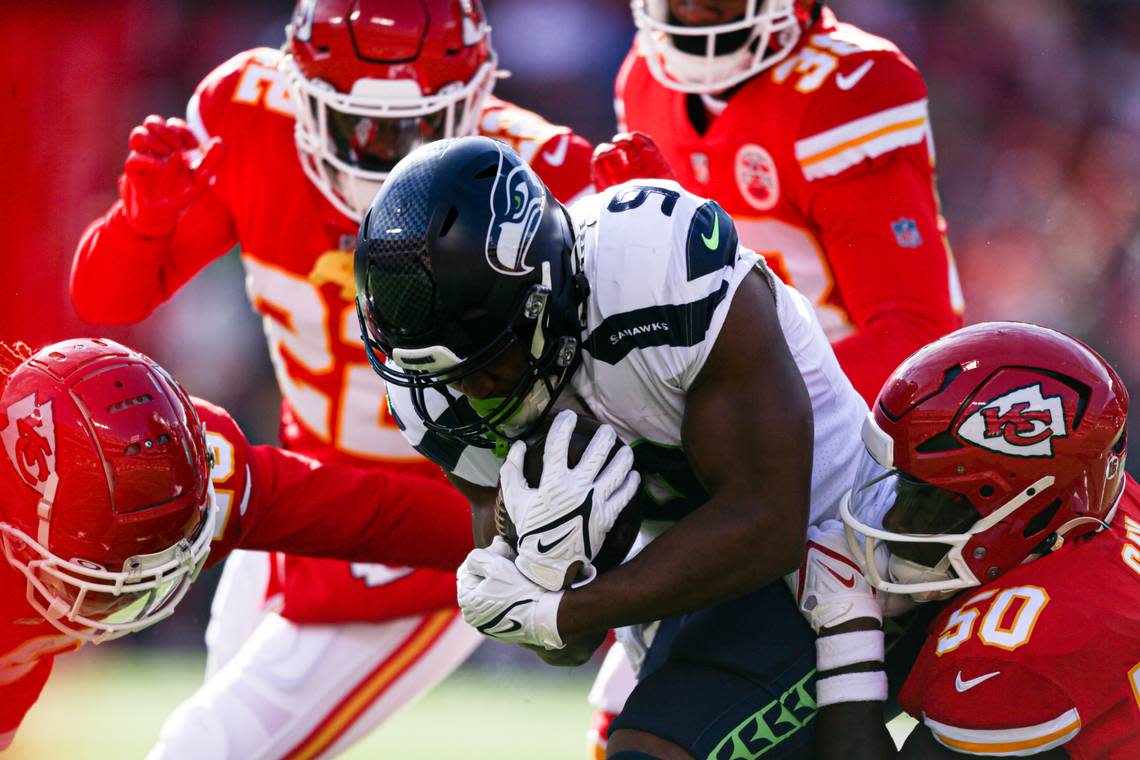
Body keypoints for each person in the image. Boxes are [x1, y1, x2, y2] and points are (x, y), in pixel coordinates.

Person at [69, 1, 594, 756]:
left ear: (477, 102)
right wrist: (140, 225)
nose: (382, 158)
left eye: (416, 129)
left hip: (440, 515)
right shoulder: (250, 114)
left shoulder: (536, 177)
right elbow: (107, 297)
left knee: (207, 745)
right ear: (300, 89)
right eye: (357, 126)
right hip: (301, 500)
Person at [355, 135, 898, 759]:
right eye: (449, 376)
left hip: (841, 537)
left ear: (546, 294)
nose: (474, 392)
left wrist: (563, 610)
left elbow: (768, 520)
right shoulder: (434, 390)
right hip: (690, 594)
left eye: (490, 362)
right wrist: (539, 583)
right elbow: (567, 646)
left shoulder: (654, 263)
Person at [0, 338, 474, 753]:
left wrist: (517, 535)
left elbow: (364, 516)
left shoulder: (203, 475)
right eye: (102, 571)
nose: (126, 594)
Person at [614, 0, 963, 405]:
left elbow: (913, 337)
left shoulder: (849, 88)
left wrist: (731, 402)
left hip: (858, 414)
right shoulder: (645, 78)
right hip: (726, 385)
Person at [841, 322, 1138, 757]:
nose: (897, 521)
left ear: (1028, 507)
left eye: (927, 501)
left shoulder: (1006, 655)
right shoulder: (1099, 500)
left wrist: (845, 653)